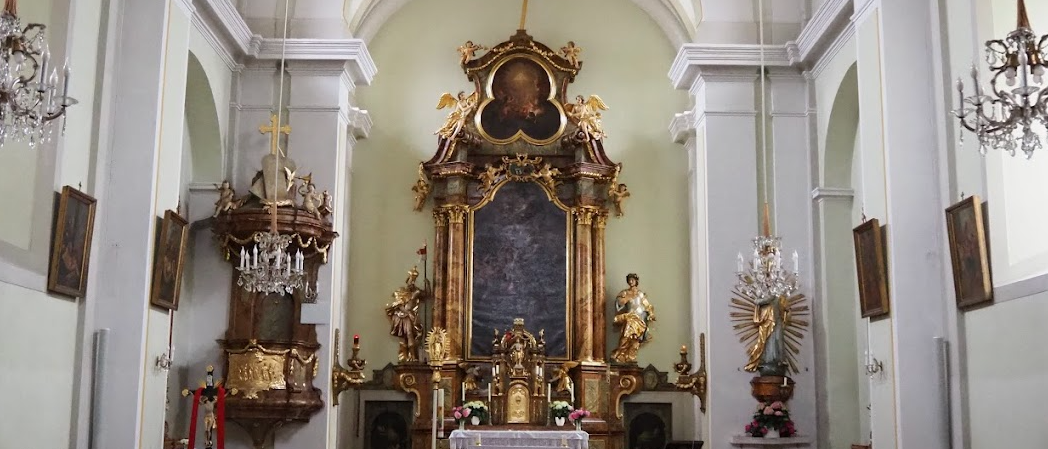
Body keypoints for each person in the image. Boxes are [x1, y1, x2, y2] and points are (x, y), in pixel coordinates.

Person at [611, 273, 656, 364]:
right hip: (630, 316)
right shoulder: (625, 293)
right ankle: (620, 352)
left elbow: (647, 305)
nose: (631, 282)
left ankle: (630, 355)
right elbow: (619, 304)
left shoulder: (640, 294)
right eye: (629, 280)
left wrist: (651, 314)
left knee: (635, 338)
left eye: (633, 280)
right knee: (626, 334)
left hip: (639, 318)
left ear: (636, 281)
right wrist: (624, 299)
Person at [385, 267, 428, 362]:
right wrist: (404, 310)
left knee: (410, 335)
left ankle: (413, 356)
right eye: (410, 279)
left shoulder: (416, 292)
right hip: (402, 316)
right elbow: (396, 304)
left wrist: (427, 285)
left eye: (414, 280)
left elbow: (426, 295)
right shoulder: (401, 291)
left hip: (410, 316)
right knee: (403, 338)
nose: (411, 282)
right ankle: (404, 357)